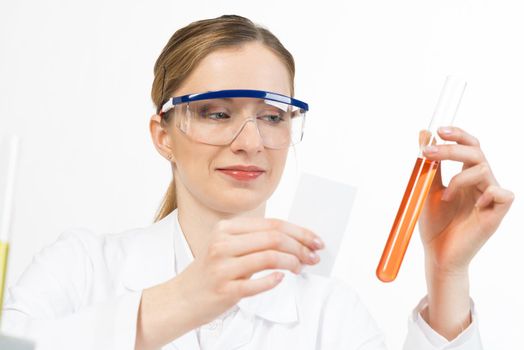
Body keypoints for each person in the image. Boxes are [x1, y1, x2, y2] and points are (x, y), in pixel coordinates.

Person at [2, 14, 514, 350]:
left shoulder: (326, 314)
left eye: (273, 116)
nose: (250, 141)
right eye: (217, 113)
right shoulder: (82, 268)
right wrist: (187, 298)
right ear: (163, 134)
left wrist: (448, 274)